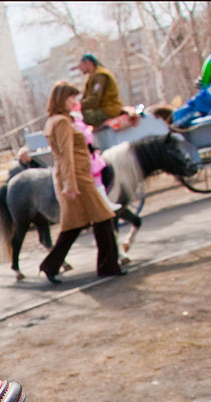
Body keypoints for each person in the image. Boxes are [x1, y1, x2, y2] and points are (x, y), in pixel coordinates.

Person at [38, 82, 124, 284]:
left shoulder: (59, 120)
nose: (74, 102)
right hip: (78, 178)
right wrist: (70, 184)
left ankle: (51, 265)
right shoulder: (60, 122)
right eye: (71, 98)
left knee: (75, 224)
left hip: (77, 176)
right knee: (102, 217)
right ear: (61, 99)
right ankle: (108, 266)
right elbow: (66, 155)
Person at [75, 54, 123, 128]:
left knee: (80, 118)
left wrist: (76, 107)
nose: (80, 68)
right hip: (103, 108)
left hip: (108, 109)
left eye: (81, 65)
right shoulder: (93, 76)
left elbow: (94, 99)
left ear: (88, 63)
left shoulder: (99, 75)